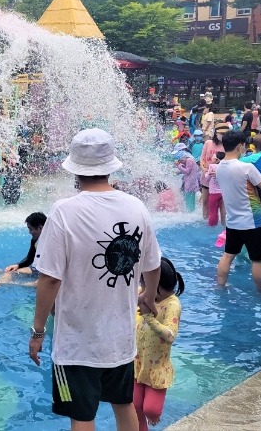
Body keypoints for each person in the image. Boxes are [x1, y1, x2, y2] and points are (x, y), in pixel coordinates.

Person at [29, 128, 161, 431]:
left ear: (75, 170)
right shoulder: (136, 206)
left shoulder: (64, 211)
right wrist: (149, 296)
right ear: (110, 166)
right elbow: (152, 265)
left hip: (75, 345)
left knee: (82, 416)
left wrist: (37, 332)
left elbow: (49, 281)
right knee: (123, 404)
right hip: (121, 340)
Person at [215, 131, 261, 293]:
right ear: (240, 146)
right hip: (253, 221)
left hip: (233, 221)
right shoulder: (246, 167)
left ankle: (220, 285)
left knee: (228, 255)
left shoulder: (219, 168)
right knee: (258, 259)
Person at [133, 258, 184, 431]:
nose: (143, 287)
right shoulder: (145, 293)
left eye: (145, 283)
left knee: (150, 410)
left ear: (158, 285)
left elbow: (170, 335)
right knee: (134, 406)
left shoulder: (172, 304)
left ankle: (153, 417)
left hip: (156, 366)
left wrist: (148, 317)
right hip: (138, 360)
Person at [0, 212, 47, 289]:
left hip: (48, 271)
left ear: (40, 228)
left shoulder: (53, 242)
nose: (29, 232)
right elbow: (30, 258)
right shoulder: (35, 240)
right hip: (37, 269)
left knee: (38, 284)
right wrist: (18, 265)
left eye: (30, 229)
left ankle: (15, 284)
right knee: (10, 272)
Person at [199, 125, 228, 221]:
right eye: (221, 133)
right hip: (207, 177)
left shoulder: (227, 146)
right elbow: (202, 158)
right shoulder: (208, 143)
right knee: (205, 201)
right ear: (216, 133)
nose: (223, 135)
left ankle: (223, 224)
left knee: (222, 204)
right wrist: (203, 168)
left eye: (225, 133)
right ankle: (205, 221)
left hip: (221, 180)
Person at [172, 143, 199, 212]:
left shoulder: (189, 160)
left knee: (189, 202)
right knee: (189, 201)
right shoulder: (188, 159)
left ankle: (190, 214)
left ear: (183, 150)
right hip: (189, 182)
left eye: (178, 152)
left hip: (190, 184)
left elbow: (187, 171)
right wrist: (179, 171)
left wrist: (178, 165)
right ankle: (189, 213)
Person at [205, 152, 226, 227]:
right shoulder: (224, 166)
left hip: (214, 193)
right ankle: (223, 224)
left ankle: (212, 225)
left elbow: (207, 178)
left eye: (213, 156)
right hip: (222, 192)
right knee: (223, 209)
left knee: (213, 211)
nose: (212, 157)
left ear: (217, 160)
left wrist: (205, 172)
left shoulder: (212, 166)